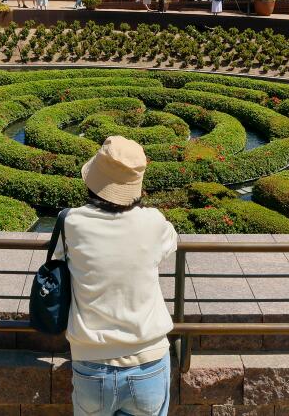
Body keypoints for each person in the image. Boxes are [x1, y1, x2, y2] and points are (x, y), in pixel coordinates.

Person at [55, 136, 177, 416]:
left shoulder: (71, 222)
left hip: (91, 364)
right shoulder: (154, 221)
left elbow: (57, 261)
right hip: (149, 361)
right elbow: (170, 242)